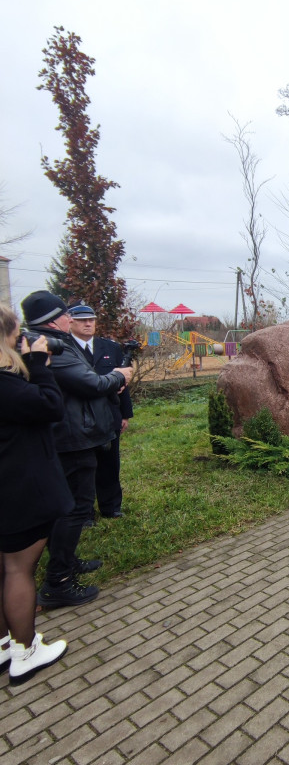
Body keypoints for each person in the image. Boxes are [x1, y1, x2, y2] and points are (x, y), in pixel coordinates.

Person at [20, 291, 134, 608]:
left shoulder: (46, 341)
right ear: (53, 319)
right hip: (73, 438)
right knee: (76, 508)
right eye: (66, 315)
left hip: (73, 433)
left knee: (69, 504)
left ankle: (67, 561)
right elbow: (90, 383)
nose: (72, 319)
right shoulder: (49, 346)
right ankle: (58, 581)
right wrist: (118, 376)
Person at [0, 304, 69, 684]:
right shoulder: (6, 386)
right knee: (18, 570)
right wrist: (40, 364)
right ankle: (25, 651)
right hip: (18, 487)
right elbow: (50, 406)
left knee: (2, 568)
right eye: (16, 337)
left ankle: (4, 645)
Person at [68, 302, 133, 520]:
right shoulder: (65, 348)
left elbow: (123, 383)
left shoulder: (110, 348)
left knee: (109, 464)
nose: (88, 324)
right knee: (82, 469)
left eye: (91, 320)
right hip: (80, 417)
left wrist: (124, 414)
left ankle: (111, 506)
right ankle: (84, 513)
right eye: (82, 320)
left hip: (109, 414)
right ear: (70, 322)